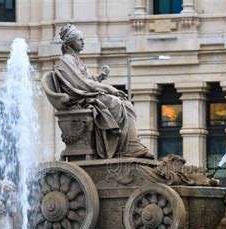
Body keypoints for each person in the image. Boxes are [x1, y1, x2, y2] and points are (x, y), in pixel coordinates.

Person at [52, 23, 153, 159]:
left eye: (83, 39)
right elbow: (81, 83)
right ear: (70, 42)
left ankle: (130, 144)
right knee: (115, 102)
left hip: (87, 95)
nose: (83, 42)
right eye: (80, 40)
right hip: (81, 99)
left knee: (127, 104)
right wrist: (109, 88)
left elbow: (86, 80)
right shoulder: (66, 60)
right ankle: (120, 147)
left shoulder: (75, 59)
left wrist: (100, 77)